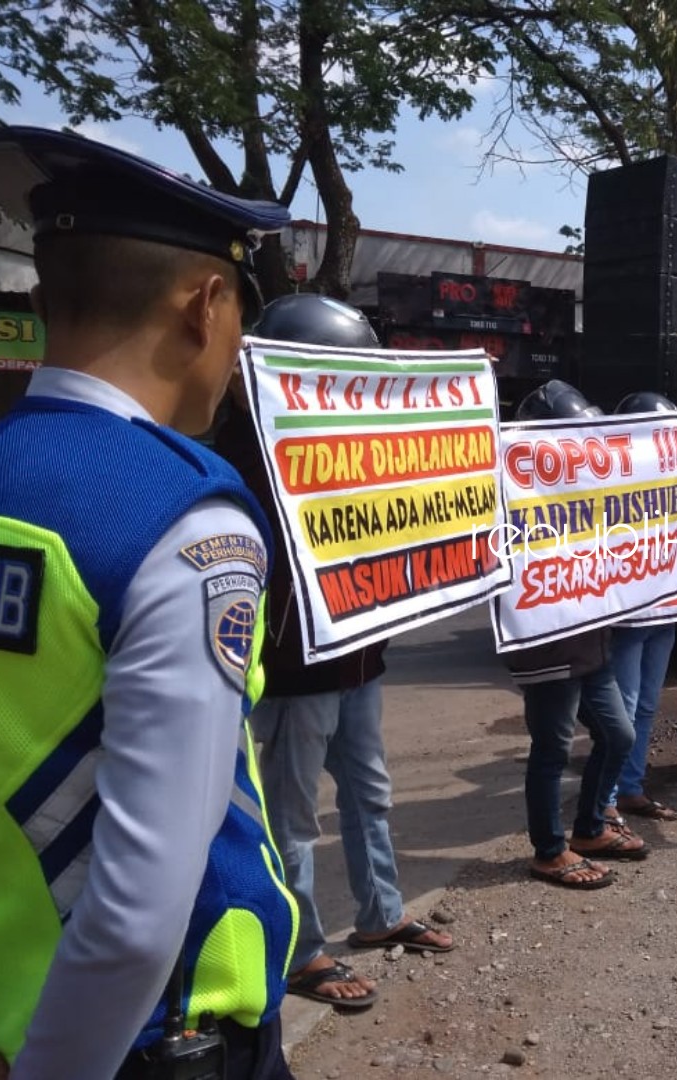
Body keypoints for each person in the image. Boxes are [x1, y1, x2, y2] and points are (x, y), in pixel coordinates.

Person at [0, 126, 298, 1077]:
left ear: (43, 301)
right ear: (206, 306)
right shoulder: (184, 522)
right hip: (141, 1041)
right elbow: (135, 915)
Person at [216, 294, 454, 1012]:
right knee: (291, 818)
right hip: (296, 667)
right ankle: (300, 951)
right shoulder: (245, 446)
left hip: (358, 657)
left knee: (368, 795)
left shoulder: (359, 436)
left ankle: (380, 914)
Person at [505, 379, 643, 888]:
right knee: (552, 747)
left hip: (590, 641)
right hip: (547, 644)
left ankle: (588, 828)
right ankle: (549, 850)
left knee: (618, 734)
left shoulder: (590, 489)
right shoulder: (513, 492)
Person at [604, 390, 677, 822]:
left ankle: (631, 786)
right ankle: (610, 794)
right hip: (633, 613)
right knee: (626, 705)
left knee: (647, 703)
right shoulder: (611, 479)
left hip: (666, 610)